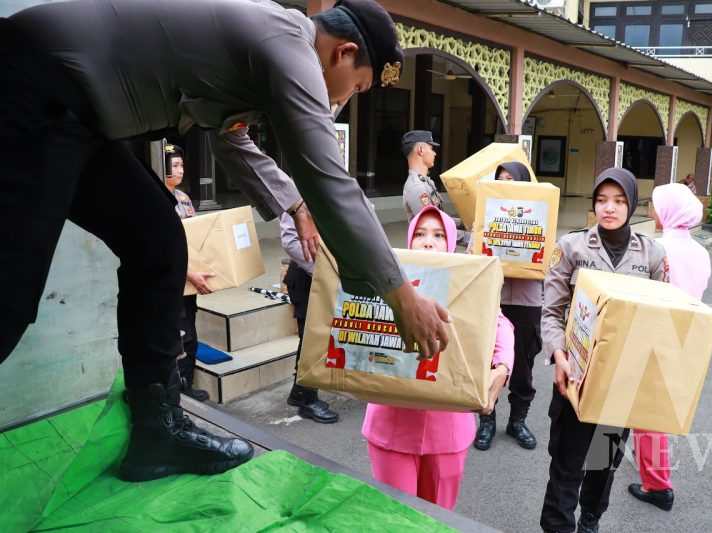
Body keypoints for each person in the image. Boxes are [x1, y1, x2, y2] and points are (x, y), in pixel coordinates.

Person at [2, 0, 450, 483]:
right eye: (357, 87)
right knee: (10, 290)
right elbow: (328, 177)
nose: (346, 100)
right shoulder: (289, 47)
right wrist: (401, 297)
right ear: (343, 53)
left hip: (78, 117)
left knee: (157, 239)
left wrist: (297, 207)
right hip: (32, 83)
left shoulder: (274, 44)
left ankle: (157, 433)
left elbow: (230, 139)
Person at [540, 168, 669, 533]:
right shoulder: (572, 247)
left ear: (632, 204)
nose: (608, 208)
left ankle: (591, 520)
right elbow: (551, 311)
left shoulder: (653, 254)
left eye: (618, 200)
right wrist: (558, 355)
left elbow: (664, 315)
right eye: (601, 200)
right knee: (566, 464)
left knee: (602, 462)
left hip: (622, 383)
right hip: (576, 377)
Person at [362, 205, 514, 510]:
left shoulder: (466, 286)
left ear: (450, 243)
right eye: (419, 234)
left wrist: (502, 367)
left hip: (449, 430)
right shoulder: (388, 286)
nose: (428, 241)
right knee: (395, 520)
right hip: (391, 426)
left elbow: (499, 325)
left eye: (437, 234)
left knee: (437, 519)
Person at [628, 182, 711, 512]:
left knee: (648, 412)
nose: (650, 210)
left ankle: (658, 486)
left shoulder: (654, 248)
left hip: (653, 335)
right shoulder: (701, 252)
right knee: (655, 409)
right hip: (687, 336)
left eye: (654, 205)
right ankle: (647, 463)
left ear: (665, 212)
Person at [474, 162, 543, 452]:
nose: (507, 185)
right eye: (501, 180)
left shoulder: (540, 217)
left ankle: (518, 421)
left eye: (513, 180)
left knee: (523, 365)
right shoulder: (488, 216)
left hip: (527, 299)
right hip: (495, 297)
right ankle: (487, 419)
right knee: (490, 362)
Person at [161, 144, 212, 403]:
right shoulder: (158, 199)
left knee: (190, 328)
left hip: (191, 277)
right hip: (171, 279)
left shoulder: (183, 198)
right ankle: (176, 388)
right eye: (174, 166)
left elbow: (196, 238)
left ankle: (187, 384)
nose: (180, 170)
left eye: (182, 165)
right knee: (179, 333)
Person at [280, 212, 339, 424]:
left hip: (330, 275)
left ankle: (299, 391)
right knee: (311, 340)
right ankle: (306, 399)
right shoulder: (297, 195)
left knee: (319, 338)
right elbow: (290, 241)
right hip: (308, 277)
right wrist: (322, 270)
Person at [402, 130, 443, 221]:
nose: (435, 153)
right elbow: (434, 225)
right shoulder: (417, 187)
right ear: (421, 150)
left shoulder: (425, 182)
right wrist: (468, 235)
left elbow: (441, 218)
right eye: (431, 149)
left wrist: (462, 223)